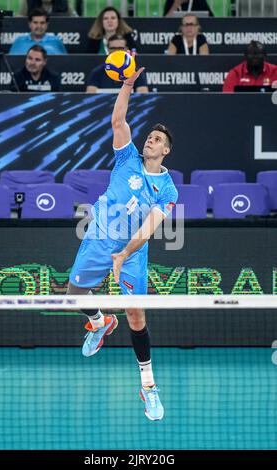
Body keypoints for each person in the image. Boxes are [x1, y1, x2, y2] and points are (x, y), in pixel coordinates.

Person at [67, 60, 178, 421]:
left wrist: (124, 255)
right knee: (73, 295)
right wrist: (127, 85)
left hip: (131, 254)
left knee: (135, 314)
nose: (151, 139)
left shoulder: (168, 188)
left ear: (166, 152)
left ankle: (149, 387)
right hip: (98, 236)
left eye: (158, 140)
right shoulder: (127, 157)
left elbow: (148, 229)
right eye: (150, 136)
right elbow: (118, 122)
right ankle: (100, 323)